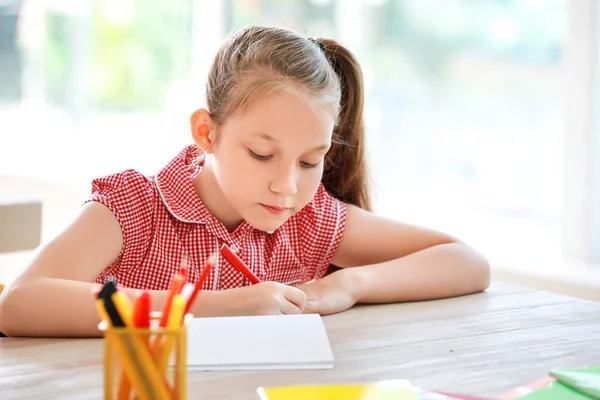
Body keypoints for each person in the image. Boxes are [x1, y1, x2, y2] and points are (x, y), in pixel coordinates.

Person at [0, 25, 490, 337]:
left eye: (309, 161)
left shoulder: (309, 218)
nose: (287, 186)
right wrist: (210, 307)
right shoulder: (135, 206)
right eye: (261, 154)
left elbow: (467, 263)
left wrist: (351, 283)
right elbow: (20, 303)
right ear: (206, 132)